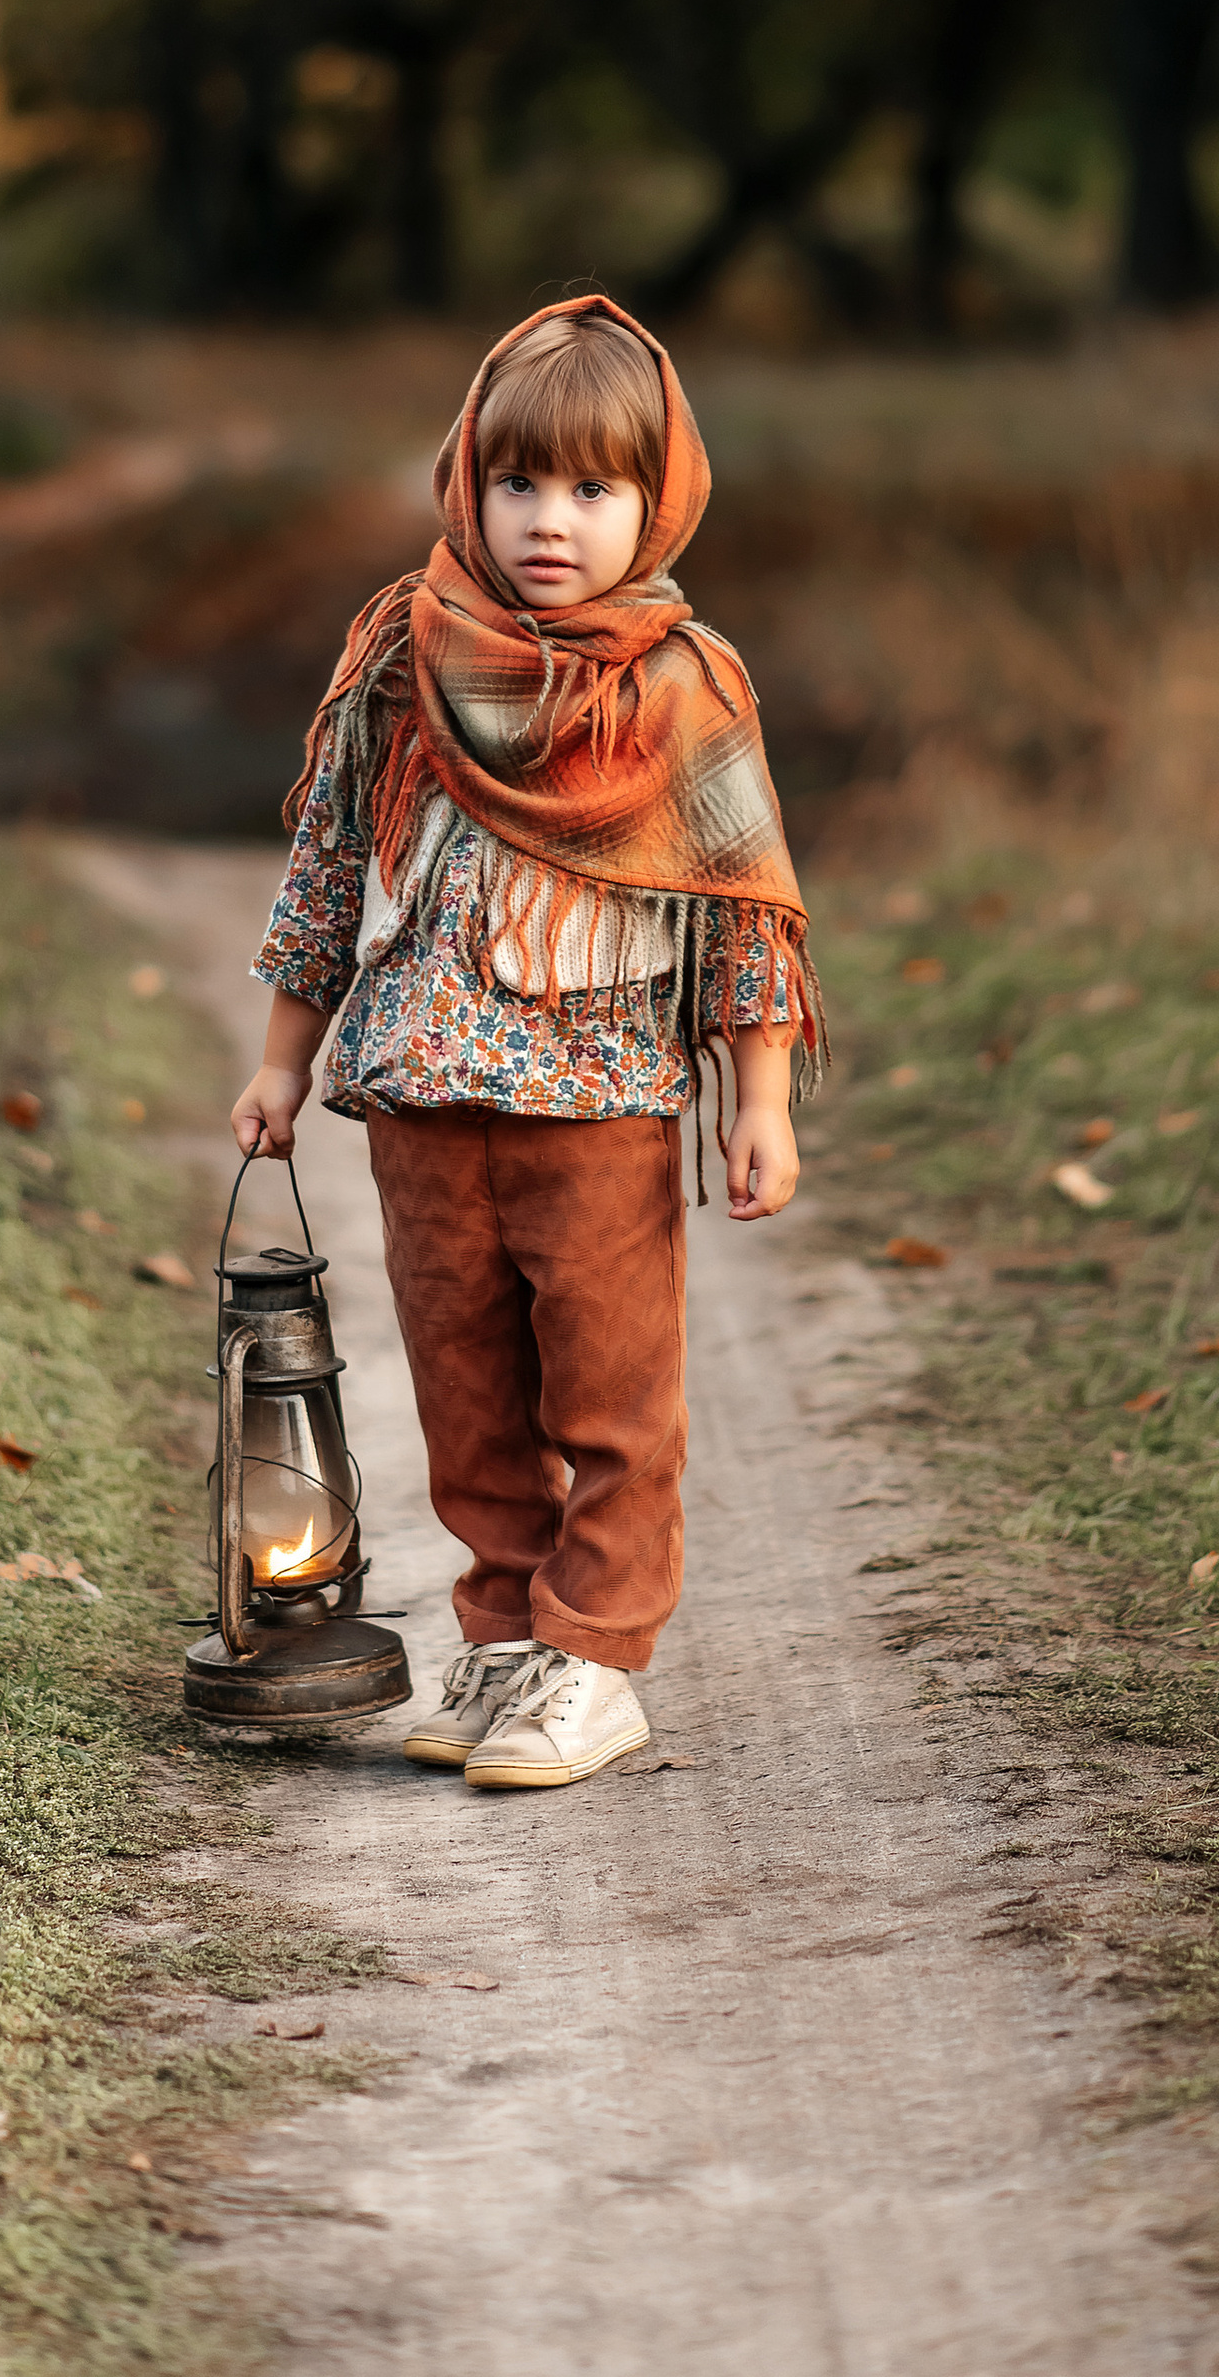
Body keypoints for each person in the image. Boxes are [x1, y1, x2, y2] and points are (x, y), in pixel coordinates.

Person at [231, 293, 824, 1791]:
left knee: (612, 1394)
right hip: (426, 1097)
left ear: (655, 499)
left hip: (599, 1108)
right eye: (517, 482)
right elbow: (325, 866)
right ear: (466, 482)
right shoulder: (406, 654)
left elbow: (745, 905)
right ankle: (502, 1633)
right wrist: (281, 1058)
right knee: (464, 1388)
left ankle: (597, 1657)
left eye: (590, 488)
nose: (547, 520)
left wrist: (761, 1094)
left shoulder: (682, 690)